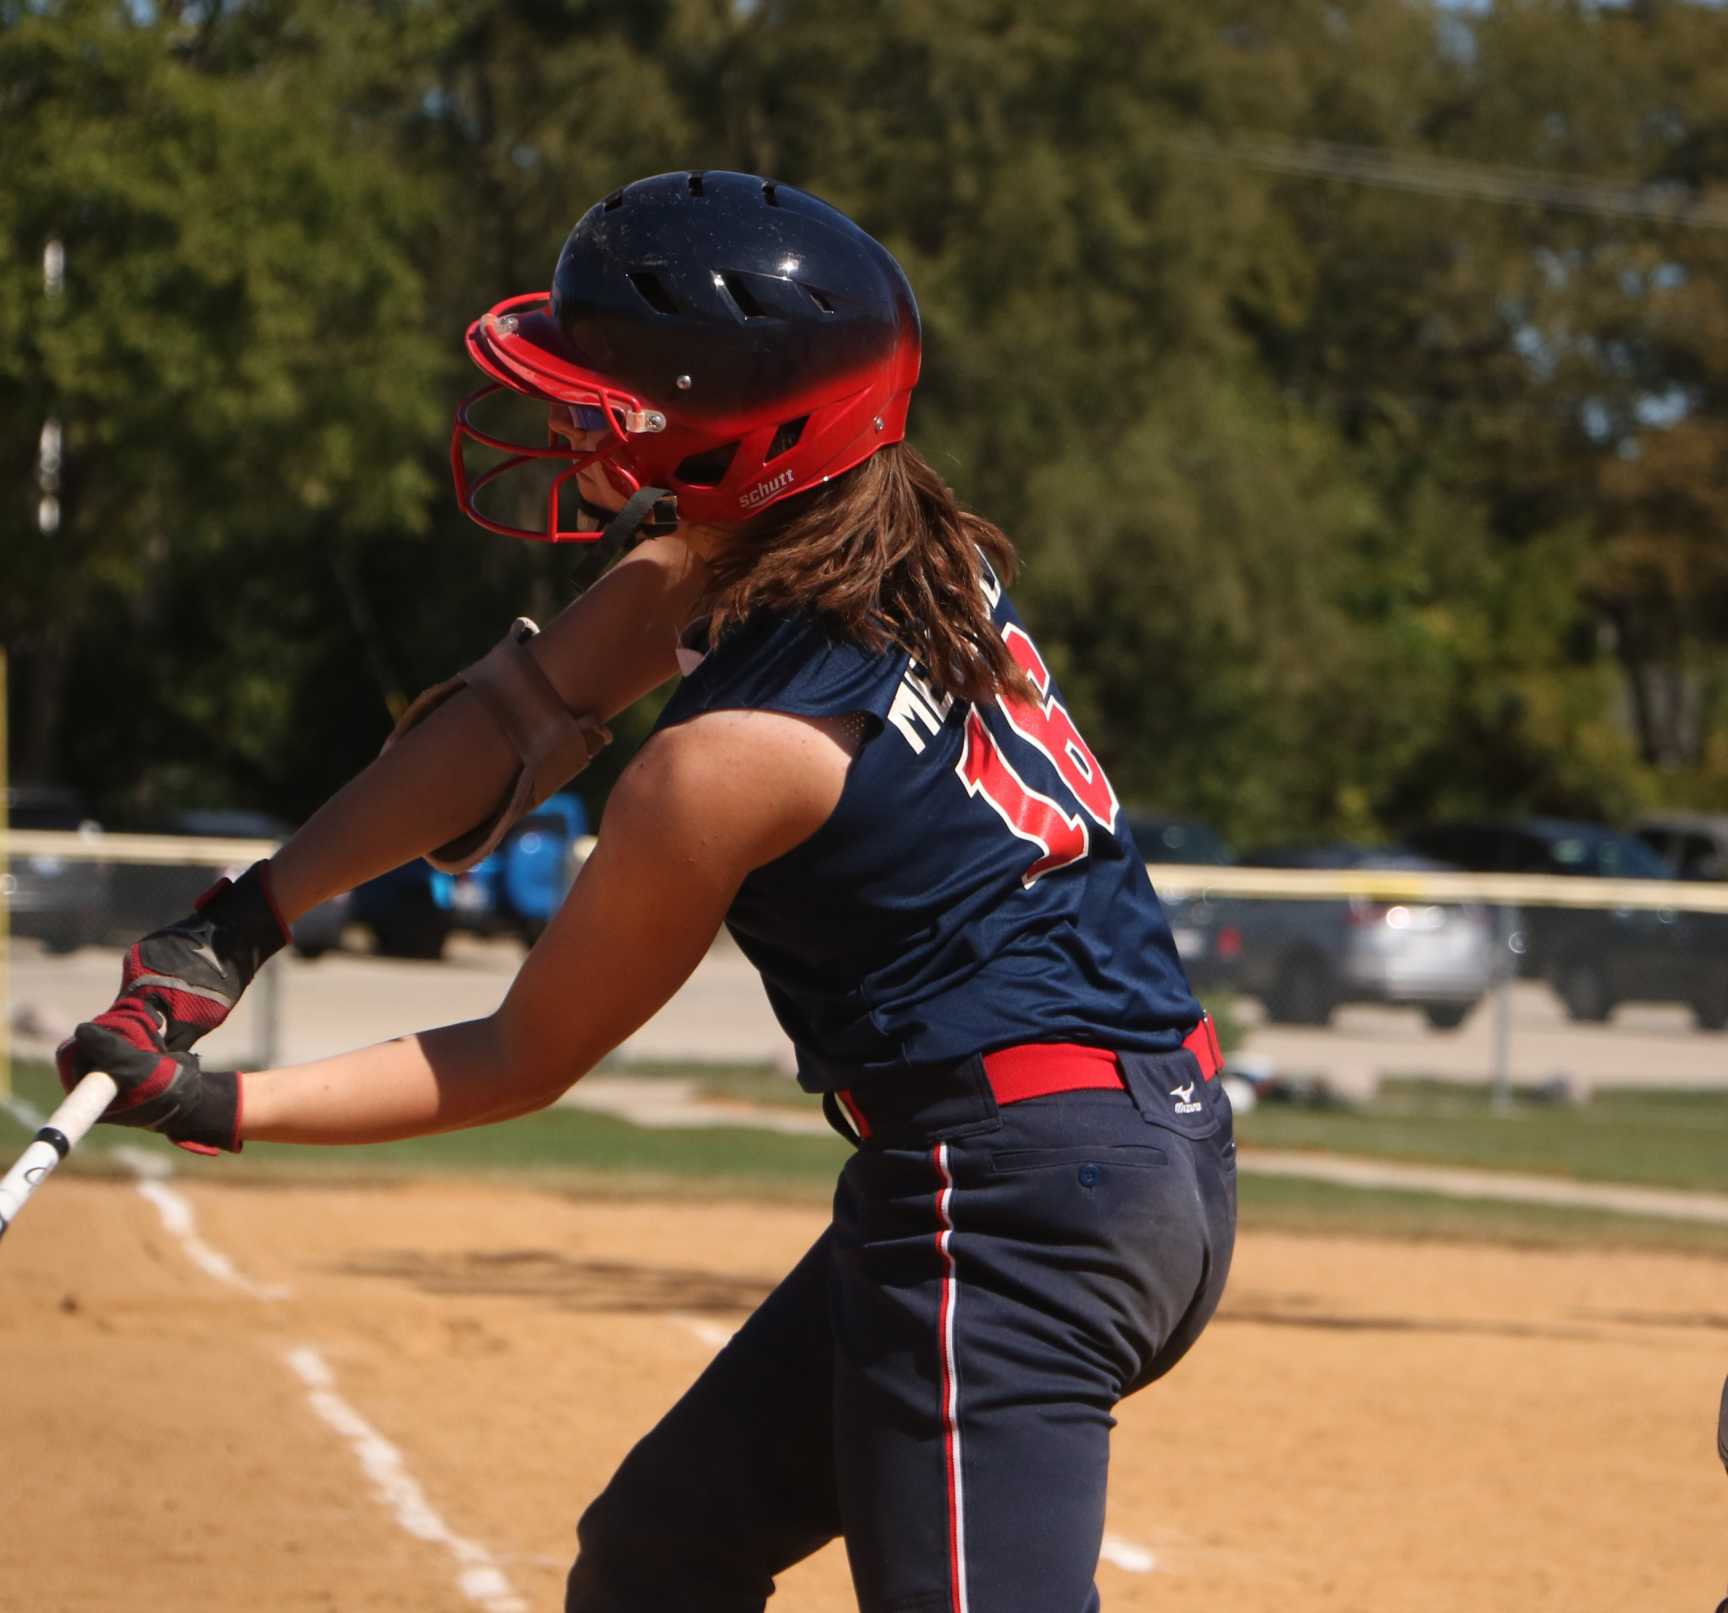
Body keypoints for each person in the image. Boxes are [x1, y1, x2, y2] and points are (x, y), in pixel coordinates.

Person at [64, 170, 1236, 1612]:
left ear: (727, 442)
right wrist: (241, 919)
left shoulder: (730, 760)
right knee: (659, 1557)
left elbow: (519, 1052)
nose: (565, 428)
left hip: (1016, 1202)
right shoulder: (870, 554)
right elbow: (510, 720)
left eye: (598, 403)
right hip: (1112, 1148)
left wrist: (216, 1100)